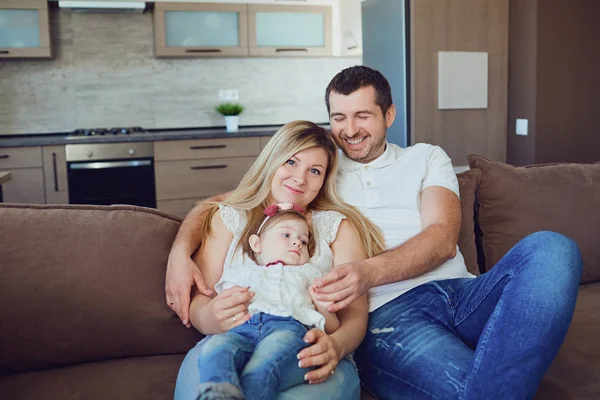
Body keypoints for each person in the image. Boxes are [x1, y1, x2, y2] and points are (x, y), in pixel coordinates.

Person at [167, 66, 583, 399]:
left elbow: (441, 238)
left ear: (388, 115)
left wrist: (368, 273)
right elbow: (238, 198)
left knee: (553, 249)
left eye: (363, 115)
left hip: (462, 294)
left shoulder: (426, 158)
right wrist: (180, 252)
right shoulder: (322, 169)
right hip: (391, 316)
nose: (350, 129)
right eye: (339, 117)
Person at [173, 120, 385, 400]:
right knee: (212, 384)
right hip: (233, 339)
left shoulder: (335, 227)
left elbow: (355, 316)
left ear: (324, 180)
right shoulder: (230, 218)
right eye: (291, 162)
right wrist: (209, 317)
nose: (300, 178)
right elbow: (202, 297)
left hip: (307, 345)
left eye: (314, 171)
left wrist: (336, 344)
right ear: (271, 160)